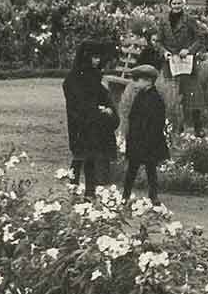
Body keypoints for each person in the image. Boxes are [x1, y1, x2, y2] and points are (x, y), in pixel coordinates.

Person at [62, 41, 119, 199]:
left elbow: (100, 95)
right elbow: (79, 102)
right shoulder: (75, 78)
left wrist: (107, 108)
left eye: (99, 58)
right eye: (94, 57)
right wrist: (99, 111)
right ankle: (74, 187)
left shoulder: (93, 76)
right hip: (80, 122)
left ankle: (89, 191)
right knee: (81, 156)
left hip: (92, 122)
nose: (97, 61)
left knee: (88, 157)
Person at [155, 0, 204, 134]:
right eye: (174, 3)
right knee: (172, 94)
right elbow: (158, 41)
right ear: (170, 5)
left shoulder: (189, 20)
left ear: (183, 4)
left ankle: (198, 127)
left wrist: (189, 50)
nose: (176, 6)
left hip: (187, 64)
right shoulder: (164, 21)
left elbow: (199, 39)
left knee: (193, 95)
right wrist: (164, 52)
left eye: (179, 3)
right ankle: (176, 127)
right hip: (171, 63)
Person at [123, 64, 168, 204]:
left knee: (150, 168)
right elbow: (133, 117)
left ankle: (153, 195)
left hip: (149, 140)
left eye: (138, 80)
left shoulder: (156, 99)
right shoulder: (139, 96)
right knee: (132, 168)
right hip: (137, 139)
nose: (135, 83)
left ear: (148, 81)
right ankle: (125, 194)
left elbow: (157, 123)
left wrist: (150, 138)